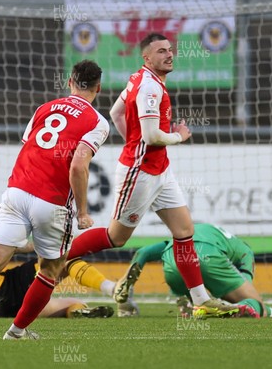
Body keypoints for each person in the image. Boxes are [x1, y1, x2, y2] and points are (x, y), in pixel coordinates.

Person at [63, 33, 239, 318]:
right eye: (160, 51)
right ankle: (60, 255)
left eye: (170, 50)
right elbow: (151, 135)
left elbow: (116, 111)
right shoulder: (149, 88)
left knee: (184, 232)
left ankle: (201, 300)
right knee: (116, 237)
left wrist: (132, 140)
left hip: (160, 171)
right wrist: (178, 136)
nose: (169, 55)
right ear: (147, 57)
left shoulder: (140, 79)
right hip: (140, 172)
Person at [0, 60, 110, 339]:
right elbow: (78, 166)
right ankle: (16, 332)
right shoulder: (97, 122)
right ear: (99, 87)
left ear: (69, 83)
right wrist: (83, 211)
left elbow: (29, 144)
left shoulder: (44, 108)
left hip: (16, 190)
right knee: (51, 269)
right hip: (50, 201)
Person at [0, 188, 114, 319]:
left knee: (66, 304)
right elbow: (2, 250)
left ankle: (75, 311)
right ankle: (111, 288)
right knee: (63, 260)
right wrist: (45, 246)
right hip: (7, 287)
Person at [114, 223, 272, 318]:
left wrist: (127, 282)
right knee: (257, 304)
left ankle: (185, 299)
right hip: (208, 255)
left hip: (173, 259)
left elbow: (143, 252)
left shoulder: (182, 234)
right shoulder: (244, 249)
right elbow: (245, 280)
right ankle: (242, 309)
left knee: (186, 277)